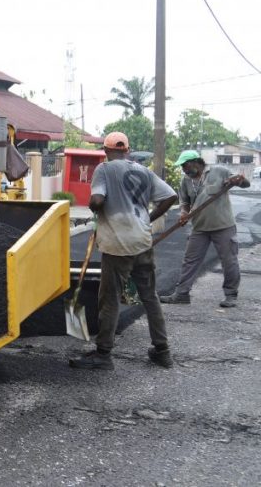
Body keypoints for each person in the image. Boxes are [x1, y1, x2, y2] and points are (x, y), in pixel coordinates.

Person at [69, 132, 178, 370]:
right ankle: (163, 351)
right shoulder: (144, 171)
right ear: (127, 150)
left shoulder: (104, 169)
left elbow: (97, 201)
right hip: (143, 241)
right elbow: (171, 196)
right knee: (150, 296)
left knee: (109, 298)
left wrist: (94, 207)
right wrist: (148, 219)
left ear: (106, 150)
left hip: (118, 245)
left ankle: (103, 354)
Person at [160, 150, 251, 308]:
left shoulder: (219, 171)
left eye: (185, 165)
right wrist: (184, 213)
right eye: (182, 166)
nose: (183, 169)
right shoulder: (186, 180)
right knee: (190, 261)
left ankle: (231, 295)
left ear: (196, 162)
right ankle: (181, 294)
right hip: (199, 227)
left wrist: (239, 180)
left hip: (223, 226)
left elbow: (244, 184)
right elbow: (184, 202)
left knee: (229, 261)